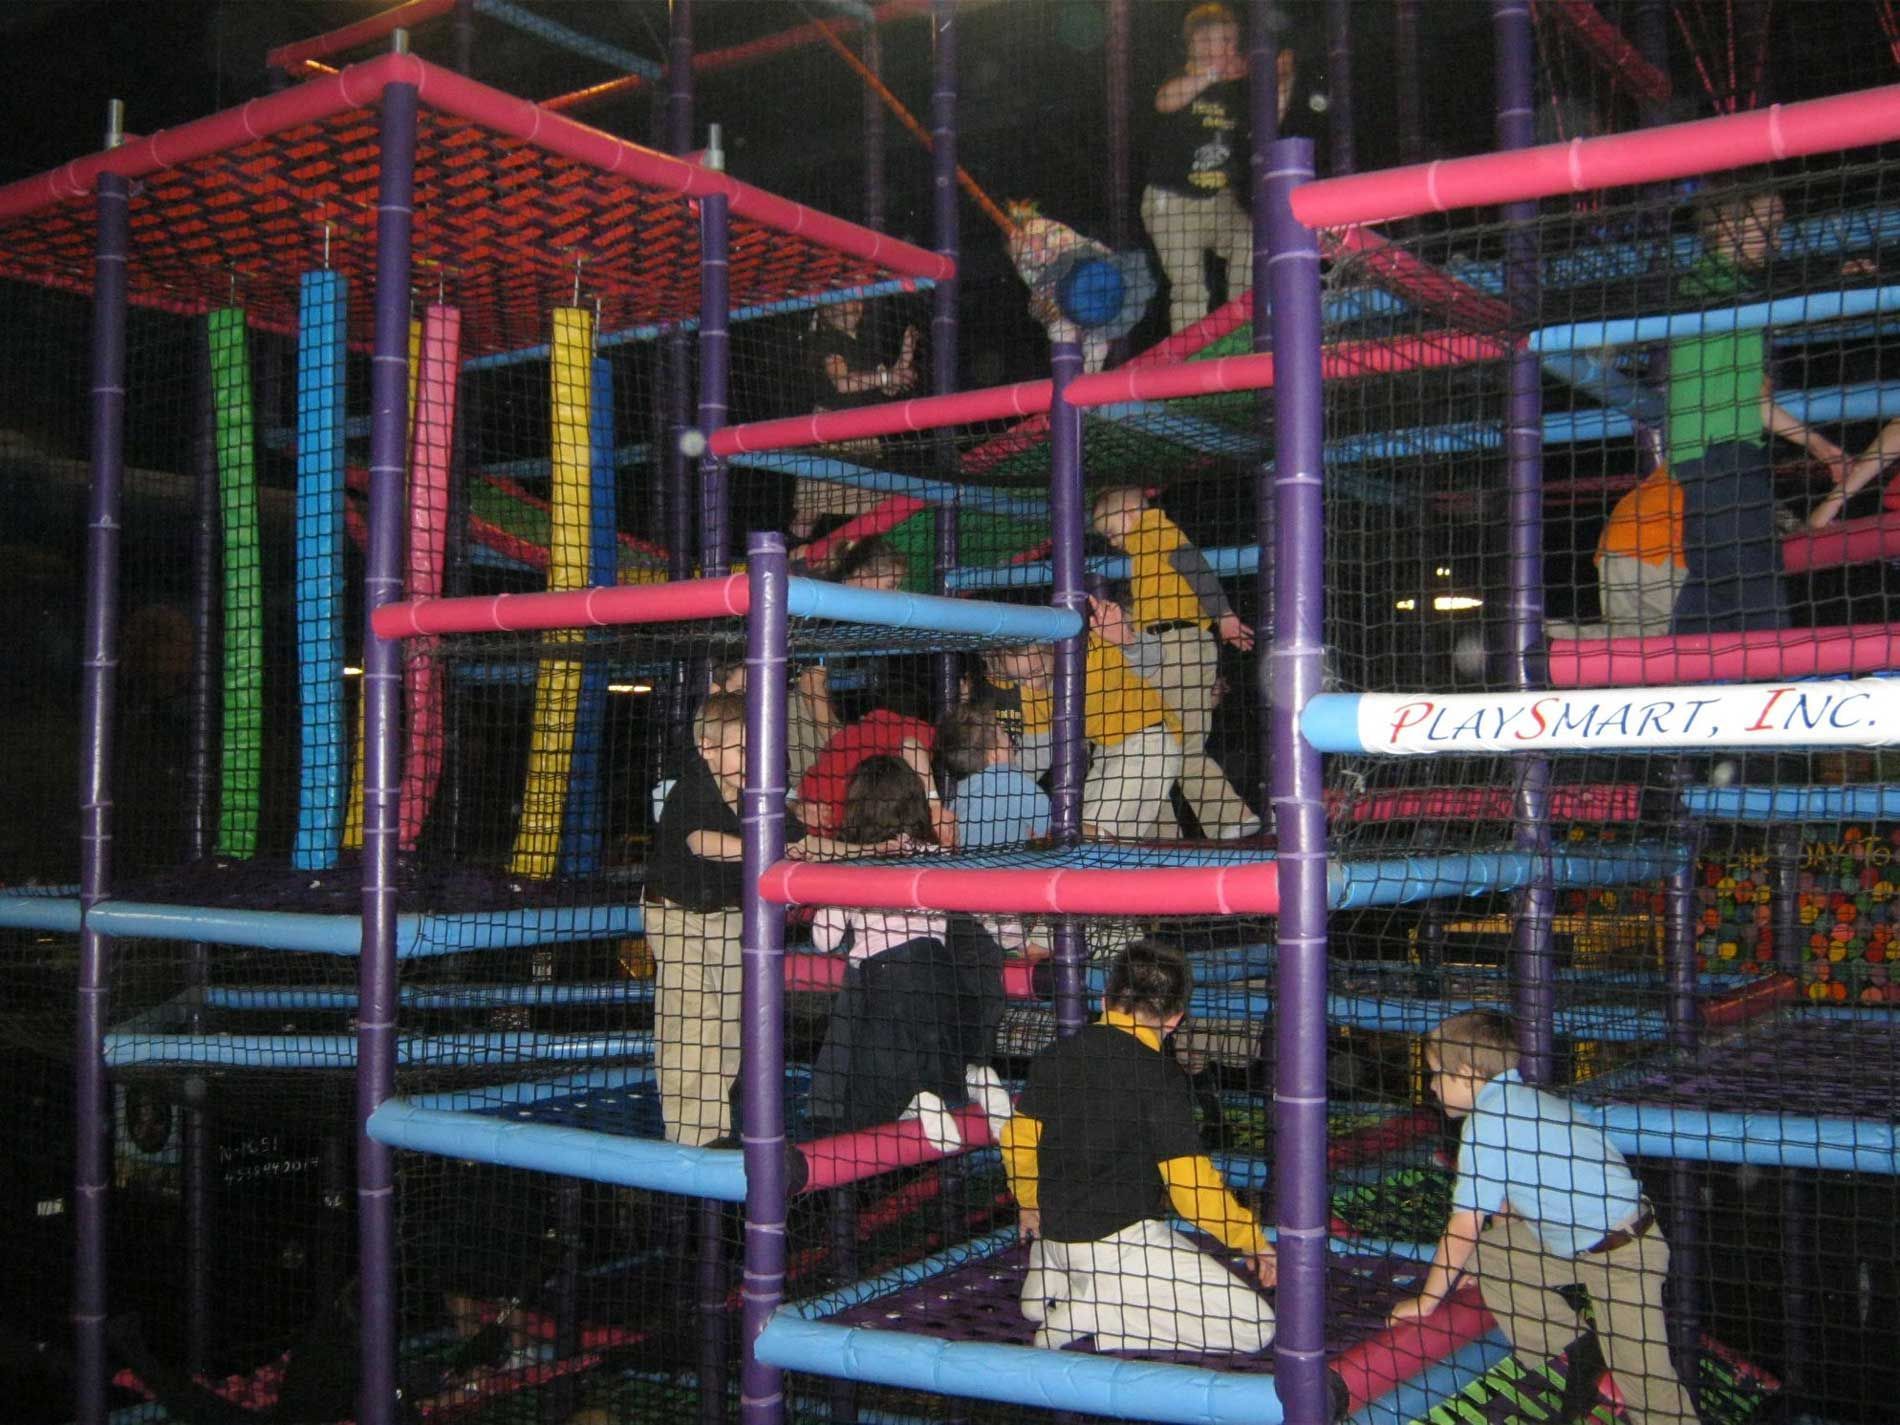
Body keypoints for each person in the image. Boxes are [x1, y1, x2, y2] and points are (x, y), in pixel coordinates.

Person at [1387, 1010, 1698, 1425]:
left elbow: (1464, 1225)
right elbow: (1511, 1206)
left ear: (1465, 1072)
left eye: (1435, 1074)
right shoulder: (1525, 1101)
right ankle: (1576, 1347)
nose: (1430, 1085)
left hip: (1624, 1256)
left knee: (1645, 1381)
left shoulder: (1488, 1124)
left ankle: (1586, 1355)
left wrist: (1428, 1301)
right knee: (1489, 1256)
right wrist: (1497, 1261)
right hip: (1584, 1240)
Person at [1000, 940, 1276, 1353]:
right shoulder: (1158, 1076)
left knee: (1126, 1245)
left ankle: (1048, 1291)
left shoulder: (1057, 1055)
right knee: (1256, 1327)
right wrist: (1250, 1238)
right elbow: (1191, 1190)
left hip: (1054, 1235)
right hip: (1117, 1247)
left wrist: (1028, 1200)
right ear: (1175, 1018)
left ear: (1108, 997)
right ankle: (1099, 1309)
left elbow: (1017, 1140)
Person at [644, 693, 862, 1147]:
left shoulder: (758, 795)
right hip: (676, 914)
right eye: (740, 749)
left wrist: (867, 855)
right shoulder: (694, 787)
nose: (752, 760)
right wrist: (763, 849)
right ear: (706, 747)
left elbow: (805, 845)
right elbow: (700, 842)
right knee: (691, 1014)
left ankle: (714, 1111)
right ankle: (696, 1131)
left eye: (756, 749)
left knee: (728, 1018)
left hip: (727, 916)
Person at [807, 755, 1009, 1151]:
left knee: (862, 1096)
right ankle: (973, 1078)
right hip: (940, 978)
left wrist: (832, 881)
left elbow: (823, 938)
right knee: (934, 1050)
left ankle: (915, 1099)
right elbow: (994, 918)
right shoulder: (938, 856)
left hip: (886, 982)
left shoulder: (858, 864)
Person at [1669, 186, 1845, 633]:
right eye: (1769, 225)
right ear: (1728, 226)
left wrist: (1821, 446)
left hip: (1716, 451)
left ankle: (1667, 676)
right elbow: (1788, 292)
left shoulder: (1731, 295)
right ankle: (1774, 683)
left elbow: (1754, 399)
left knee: (1717, 578)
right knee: (1755, 577)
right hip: (1719, 451)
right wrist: (1837, 273)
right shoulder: (1715, 283)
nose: (1777, 239)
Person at [1090, 487, 1260, 838]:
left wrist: (1224, 614)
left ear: (1131, 514)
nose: (1113, 543)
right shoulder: (1144, 555)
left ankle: (1231, 817)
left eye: (1111, 532)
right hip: (1168, 644)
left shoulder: (1154, 530)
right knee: (1161, 736)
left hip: (1177, 643)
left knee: (1182, 741)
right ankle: (1160, 832)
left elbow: (1193, 564)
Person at [1140, 3, 1294, 333]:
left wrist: (1283, 83)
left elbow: (1267, 126)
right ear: (1195, 42)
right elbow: (1164, 100)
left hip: (1218, 200)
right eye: (1218, 40)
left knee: (1252, 242)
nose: (1227, 49)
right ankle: (1191, 362)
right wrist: (1212, 72)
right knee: (1190, 288)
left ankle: (1241, 330)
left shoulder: (1233, 92)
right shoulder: (1176, 74)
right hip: (1172, 201)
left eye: (1231, 41)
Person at [979, 598, 1183, 840]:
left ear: (1052, 650)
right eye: (1021, 679)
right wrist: (998, 789)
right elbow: (1039, 752)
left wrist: (1127, 640)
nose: (1031, 685)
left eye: (1035, 672)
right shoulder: (1030, 694)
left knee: (1089, 839)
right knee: (1134, 850)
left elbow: (1155, 658)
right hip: (1107, 754)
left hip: (1148, 743)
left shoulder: (1089, 648)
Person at [794, 299, 922, 539]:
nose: (854, 307)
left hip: (862, 429)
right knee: (810, 512)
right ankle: (785, 562)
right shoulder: (827, 340)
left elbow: (889, 388)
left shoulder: (863, 346)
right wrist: (888, 378)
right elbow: (843, 383)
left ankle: (863, 568)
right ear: (827, 311)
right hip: (832, 428)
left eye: (857, 302)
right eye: (845, 303)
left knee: (873, 507)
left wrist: (906, 353)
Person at [1547, 463, 1688, 640]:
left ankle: (1557, 637)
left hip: (1620, 540)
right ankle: (1559, 638)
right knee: (1669, 638)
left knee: (1634, 638)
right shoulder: (1721, 458)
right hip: (1657, 544)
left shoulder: (1687, 456)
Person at [937, 700, 1051, 850]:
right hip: (1011, 870)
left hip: (968, 872)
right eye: (1003, 734)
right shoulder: (1014, 782)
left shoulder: (958, 796)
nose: (1010, 740)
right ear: (994, 756)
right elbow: (1058, 827)